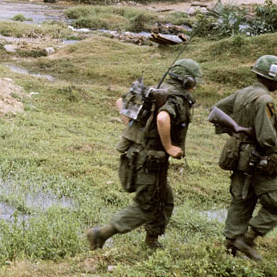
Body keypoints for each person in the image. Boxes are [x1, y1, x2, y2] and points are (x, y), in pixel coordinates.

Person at [87, 58, 202, 250]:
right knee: (146, 205)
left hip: (136, 154)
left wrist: (136, 131)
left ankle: (151, 240)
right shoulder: (175, 98)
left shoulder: (156, 92)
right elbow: (163, 118)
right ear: (187, 81)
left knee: (165, 199)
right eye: (195, 81)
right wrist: (169, 147)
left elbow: (120, 103)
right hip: (149, 160)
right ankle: (100, 234)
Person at [213, 55, 277, 262]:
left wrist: (235, 132)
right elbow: (267, 138)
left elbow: (219, 108)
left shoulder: (243, 93)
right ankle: (248, 239)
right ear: (271, 79)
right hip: (260, 160)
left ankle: (230, 246)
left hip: (238, 156)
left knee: (241, 201)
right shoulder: (265, 99)